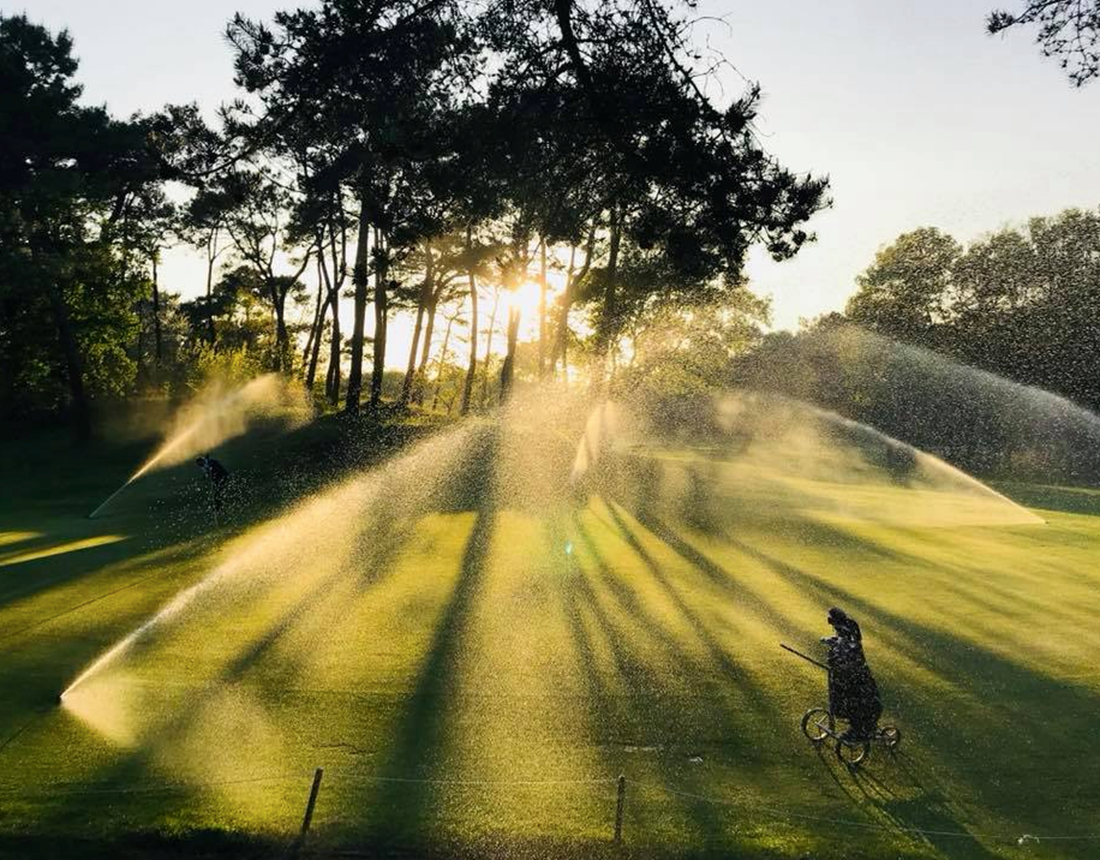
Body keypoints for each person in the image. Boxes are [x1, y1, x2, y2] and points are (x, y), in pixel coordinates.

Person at [821, 607, 882, 741]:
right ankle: (861, 726)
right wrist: (830, 641)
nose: (830, 624)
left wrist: (834, 653)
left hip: (854, 675)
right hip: (854, 672)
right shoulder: (849, 627)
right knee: (850, 699)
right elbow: (843, 641)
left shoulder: (846, 631)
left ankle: (858, 731)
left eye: (830, 620)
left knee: (852, 701)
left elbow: (845, 645)